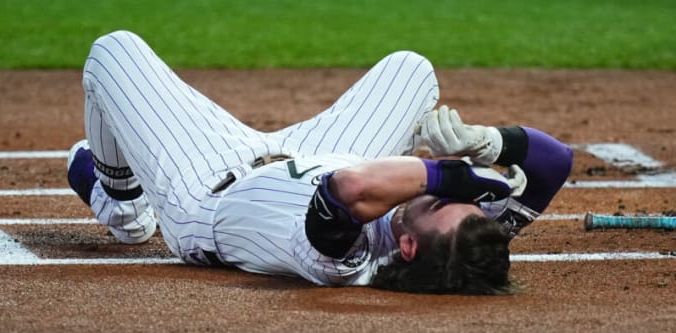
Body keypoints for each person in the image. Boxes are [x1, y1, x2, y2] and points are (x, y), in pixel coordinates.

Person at [67, 30, 573, 294]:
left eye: (444, 204)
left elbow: (351, 186)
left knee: (112, 52)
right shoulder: (467, 239)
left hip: (205, 189)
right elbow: (555, 161)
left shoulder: (343, 260)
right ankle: (119, 197)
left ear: (410, 247)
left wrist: (459, 172)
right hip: (315, 148)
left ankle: (122, 207)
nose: (457, 199)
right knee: (411, 69)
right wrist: (488, 143)